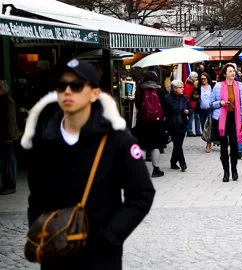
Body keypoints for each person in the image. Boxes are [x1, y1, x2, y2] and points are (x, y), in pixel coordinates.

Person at [21, 59, 155, 269]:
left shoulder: (117, 141)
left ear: (94, 93)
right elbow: (35, 195)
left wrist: (110, 236)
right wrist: (39, 227)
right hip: (55, 252)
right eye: (61, 86)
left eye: (76, 86)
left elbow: (141, 194)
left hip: (100, 257)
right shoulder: (44, 141)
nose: (67, 91)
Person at [210, 64, 242, 182]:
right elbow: (211, 104)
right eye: (230, 71)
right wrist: (220, 103)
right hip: (222, 118)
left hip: (234, 119)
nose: (233, 73)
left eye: (233, 71)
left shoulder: (240, 86)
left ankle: (234, 169)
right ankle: (226, 171)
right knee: (223, 146)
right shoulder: (218, 86)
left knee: (234, 146)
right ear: (225, 74)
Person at [133, 71, 166, 177]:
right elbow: (164, 103)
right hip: (157, 122)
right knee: (156, 145)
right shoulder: (160, 88)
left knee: (142, 144)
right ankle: (156, 169)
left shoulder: (140, 88)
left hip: (143, 121)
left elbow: (137, 104)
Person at [163, 80, 192, 172]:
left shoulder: (184, 98)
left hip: (182, 124)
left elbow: (191, 109)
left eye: (183, 87)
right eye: (181, 87)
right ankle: (183, 164)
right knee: (178, 144)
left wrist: (188, 112)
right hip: (172, 125)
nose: (183, 88)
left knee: (178, 145)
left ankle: (173, 162)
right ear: (174, 88)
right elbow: (164, 112)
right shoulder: (167, 98)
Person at [0, 80, 20, 195]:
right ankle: (7, 184)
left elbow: (10, 121)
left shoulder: (7, 101)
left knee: (8, 162)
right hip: (5, 136)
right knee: (6, 161)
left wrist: (9, 137)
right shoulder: (5, 101)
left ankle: (10, 185)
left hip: (8, 137)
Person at [198, 73, 214, 153]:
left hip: (210, 109)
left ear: (208, 79)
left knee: (209, 127)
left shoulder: (211, 87)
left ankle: (208, 144)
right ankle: (208, 141)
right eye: (201, 79)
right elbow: (194, 97)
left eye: (204, 78)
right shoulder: (198, 87)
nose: (203, 80)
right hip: (201, 109)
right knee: (203, 126)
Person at [184, 72, 202, 137]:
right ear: (191, 77)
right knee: (192, 118)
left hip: (195, 104)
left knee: (197, 117)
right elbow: (187, 97)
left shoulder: (193, 85)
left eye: (197, 77)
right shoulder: (189, 86)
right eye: (195, 77)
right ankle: (190, 131)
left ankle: (198, 131)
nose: (196, 78)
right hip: (191, 104)